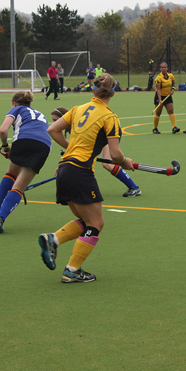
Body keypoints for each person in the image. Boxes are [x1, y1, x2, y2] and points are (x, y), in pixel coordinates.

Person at [38, 73, 134, 283]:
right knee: (96, 223)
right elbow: (115, 154)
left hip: (64, 168)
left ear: (93, 90)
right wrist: (125, 162)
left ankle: (53, 239)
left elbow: (53, 129)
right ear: (113, 93)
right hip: (80, 171)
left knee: (86, 221)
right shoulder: (110, 117)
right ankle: (72, 270)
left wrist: (70, 147)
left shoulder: (78, 109)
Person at [0, 91, 53, 233]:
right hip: (44, 147)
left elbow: (3, 130)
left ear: (14, 103)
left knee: (11, 173)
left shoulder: (16, 109)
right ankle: (0, 218)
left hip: (23, 140)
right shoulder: (40, 114)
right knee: (19, 187)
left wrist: (5, 146)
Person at [51, 107, 140, 197]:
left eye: (56, 120)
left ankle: (134, 188)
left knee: (107, 164)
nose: (55, 123)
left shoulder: (75, 125)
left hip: (105, 136)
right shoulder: (71, 126)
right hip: (97, 139)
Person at [152, 62, 180, 134]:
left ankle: (174, 127)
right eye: (162, 67)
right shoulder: (159, 78)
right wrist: (160, 99)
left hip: (168, 95)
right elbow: (158, 89)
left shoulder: (171, 76)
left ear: (167, 68)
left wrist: (173, 89)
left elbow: (173, 84)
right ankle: (155, 128)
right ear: (160, 69)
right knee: (158, 112)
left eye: (165, 67)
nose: (163, 69)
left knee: (171, 111)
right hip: (160, 96)